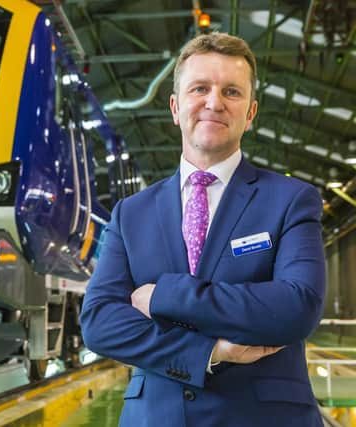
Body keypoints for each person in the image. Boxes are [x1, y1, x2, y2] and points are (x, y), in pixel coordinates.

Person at [80, 32, 325, 427]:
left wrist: (165, 296)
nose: (214, 102)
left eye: (231, 92)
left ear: (251, 113)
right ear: (176, 107)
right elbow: (100, 323)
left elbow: (297, 307)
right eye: (200, 88)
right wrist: (209, 351)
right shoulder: (132, 213)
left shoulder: (291, 199)